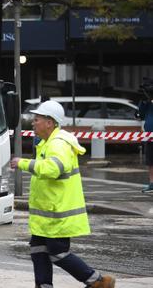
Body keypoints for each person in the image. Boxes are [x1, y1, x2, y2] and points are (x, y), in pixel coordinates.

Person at [10, 100, 115, 288]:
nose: (33, 123)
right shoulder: (48, 142)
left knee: (57, 253)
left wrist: (22, 163)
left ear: (50, 122)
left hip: (58, 213)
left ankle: (97, 281)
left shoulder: (59, 144)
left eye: (37, 119)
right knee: (38, 250)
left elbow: (53, 169)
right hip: (48, 213)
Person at [138, 78, 153, 193]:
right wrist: (144, 101)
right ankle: (152, 183)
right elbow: (141, 114)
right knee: (150, 162)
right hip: (149, 136)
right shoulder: (147, 102)